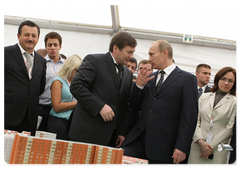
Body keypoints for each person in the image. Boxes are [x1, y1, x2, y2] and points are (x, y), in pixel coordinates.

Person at [122, 40, 198, 165]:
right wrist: (139, 86)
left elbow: (189, 116)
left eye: (152, 54)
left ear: (165, 53)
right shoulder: (149, 79)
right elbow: (134, 107)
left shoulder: (187, 79)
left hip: (165, 145)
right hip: (138, 141)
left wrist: (182, 146)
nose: (149, 59)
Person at [69, 31, 137, 147]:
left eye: (133, 52)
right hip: (86, 133)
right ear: (115, 48)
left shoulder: (127, 73)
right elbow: (76, 86)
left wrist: (121, 132)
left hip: (111, 138)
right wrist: (100, 106)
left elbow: (125, 104)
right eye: (129, 52)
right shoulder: (94, 61)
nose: (131, 56)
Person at [2, 20, 46, 136]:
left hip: (29, 119)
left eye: (34, 36)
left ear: (38, 38)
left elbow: (40, 87)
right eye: (27, 35)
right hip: (6, 115)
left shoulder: (41, 61)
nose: (30, 39)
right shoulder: (4, 53)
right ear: (18, 36)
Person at [188, 66, 237, 165]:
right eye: (223, 79)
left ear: (234, 84)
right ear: (217, 79)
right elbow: (195, 120)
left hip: (217, 149)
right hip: (198, 146)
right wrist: (201, 141)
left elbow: (229, 128)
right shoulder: (204, 96)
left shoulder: (234, 102)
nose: (226, 83)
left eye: (230, 81)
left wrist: (209, 147)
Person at [48, 54, 82, 140]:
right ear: (69, 68)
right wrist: (77, 103)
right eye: (76, 70)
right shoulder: (58, 81)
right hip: (59, 122)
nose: (78, 73)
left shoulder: (77, 83)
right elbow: (56, 107)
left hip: (73, 123)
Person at [38, 32, 65, 132]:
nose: (52, 48)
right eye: (49, 45)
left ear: (60, 46)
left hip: (59, 109)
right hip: (42, 107)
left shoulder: (66, 65)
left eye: (55, 45)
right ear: (45, 47)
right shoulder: (39, 63)